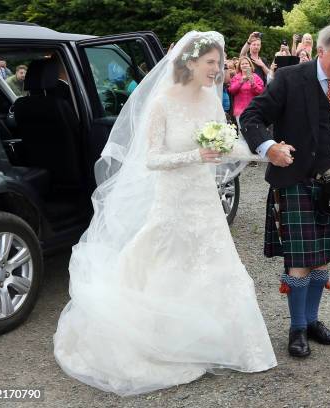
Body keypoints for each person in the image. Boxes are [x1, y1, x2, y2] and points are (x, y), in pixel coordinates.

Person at [53, 31, 277, 396]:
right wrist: (195, 156)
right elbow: (152, 159)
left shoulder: (210, 99)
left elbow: (227, 141)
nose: (217, 70)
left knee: (217, 264)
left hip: (203, 199)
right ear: (190, 62)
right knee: (164, 263)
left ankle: (226, 344)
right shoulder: (162, 103)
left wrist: (264, 153)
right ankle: (165, 343)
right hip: (172, 200)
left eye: (220, 64)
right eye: (211, 63)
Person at [241, 22, 330, 359]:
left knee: (322, 258)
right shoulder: (289, 78)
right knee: (299, 260)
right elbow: (251, 116)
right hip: (295, 180)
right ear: (320, 51)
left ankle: (313, 321)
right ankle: (297, 327)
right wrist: (269, 147)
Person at [228, 56, 264, 127]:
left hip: (253, 110)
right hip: (239, 110)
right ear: (239, 66)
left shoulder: (256, 77)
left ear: (250, 65)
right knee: (242, 132)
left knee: (252, 132)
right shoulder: (236, 77)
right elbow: (231, 90)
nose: (244, 65)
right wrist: (241, 81)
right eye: (242, 64)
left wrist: (253, 83)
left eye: (246, 63)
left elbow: (261, 92)